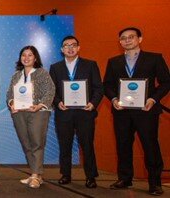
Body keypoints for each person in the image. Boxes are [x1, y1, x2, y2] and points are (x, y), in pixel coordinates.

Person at [103, 27, 169, 196]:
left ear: (140, 39)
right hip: (122, 111)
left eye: (131, 37)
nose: (127, 40)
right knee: (123, 145)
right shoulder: (114, 61)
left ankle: (155, 183)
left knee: (150, 146)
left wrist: (153, 99)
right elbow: (107, 85)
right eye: (123, 38)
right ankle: (125, 178)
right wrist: (113, 99)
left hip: (146, 110)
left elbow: (166, 82)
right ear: (120, 42)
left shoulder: (154, 58)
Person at [49, 36, 103, 188]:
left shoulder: (90, 65)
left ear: (78, 48)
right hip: (64, 113)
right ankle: (66, 174)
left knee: (87, 146)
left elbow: (99, 88)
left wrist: (93, 104)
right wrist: (58, 102)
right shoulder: (55, 67)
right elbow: (51, 90)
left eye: (73, 45)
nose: (70, 48)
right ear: (62, 50)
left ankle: (91, 176)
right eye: (66, 45)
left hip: (85, 113)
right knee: (64, 145)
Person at [6, 46, 54, 188]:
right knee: (26, 143)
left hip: (37, 112)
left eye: (30, 55)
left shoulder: (42, 73)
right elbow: (10, 93)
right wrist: (12, 103)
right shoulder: (16, 75)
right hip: (19, 113)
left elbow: (50, 91)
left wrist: (39, 105)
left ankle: (35, 175)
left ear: (35, 58)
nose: (26, 58)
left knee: (37, 142)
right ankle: (35, 174)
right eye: (23, 55)